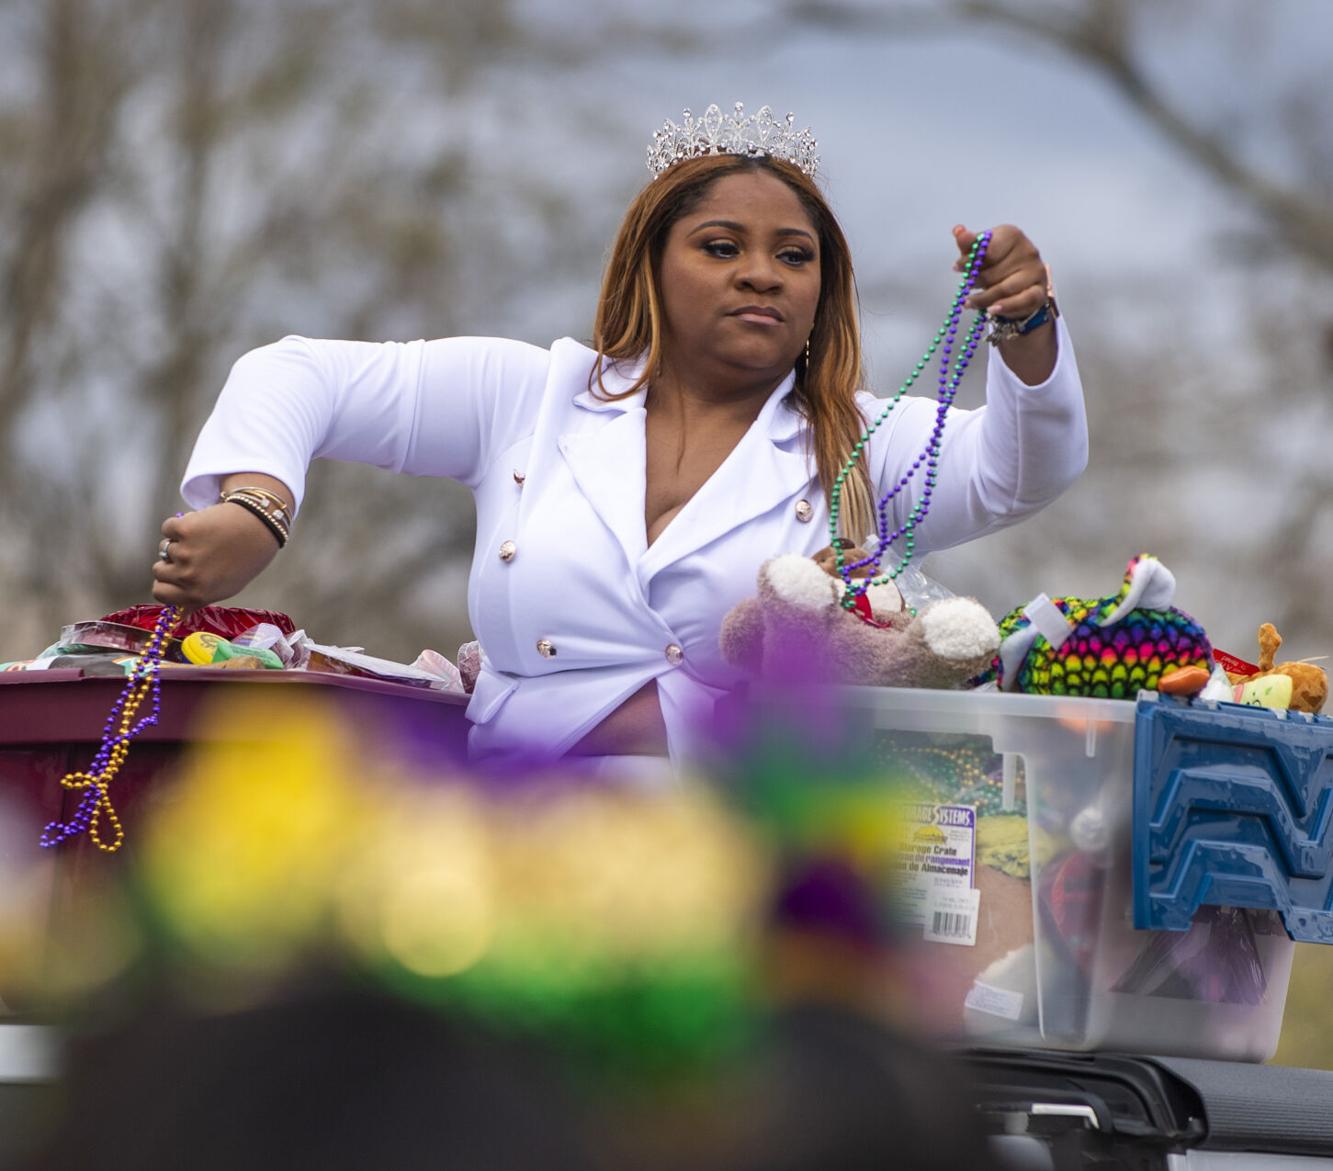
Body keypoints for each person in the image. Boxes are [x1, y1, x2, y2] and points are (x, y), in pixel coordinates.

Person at [153, 103, 1086, 765]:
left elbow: (1023, 468)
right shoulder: (531, 393)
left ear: (822, 289)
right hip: (511, 853)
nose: (761, 274)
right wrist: (255, 507)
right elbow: (295, 371)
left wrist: (1026, 323)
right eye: (721, 247)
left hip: (748, 885)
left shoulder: (861, 441)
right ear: (651, 264)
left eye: (793, 256)